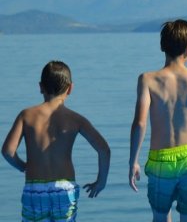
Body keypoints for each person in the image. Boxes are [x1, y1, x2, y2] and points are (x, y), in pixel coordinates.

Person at [129, 19, 187, 222]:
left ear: (162, 46)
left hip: (160, 160)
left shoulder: (147, 79)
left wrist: (133, 161)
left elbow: (140, 124)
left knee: (160, 217)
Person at [3, 60, 110, 222]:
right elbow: (104, 150)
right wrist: (101, 182)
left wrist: (23, 166)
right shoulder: (76, 119)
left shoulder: (26, 115)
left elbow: (8, 151)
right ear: (70, 88)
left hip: (34, 189)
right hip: (64, 189)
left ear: (41, 87)